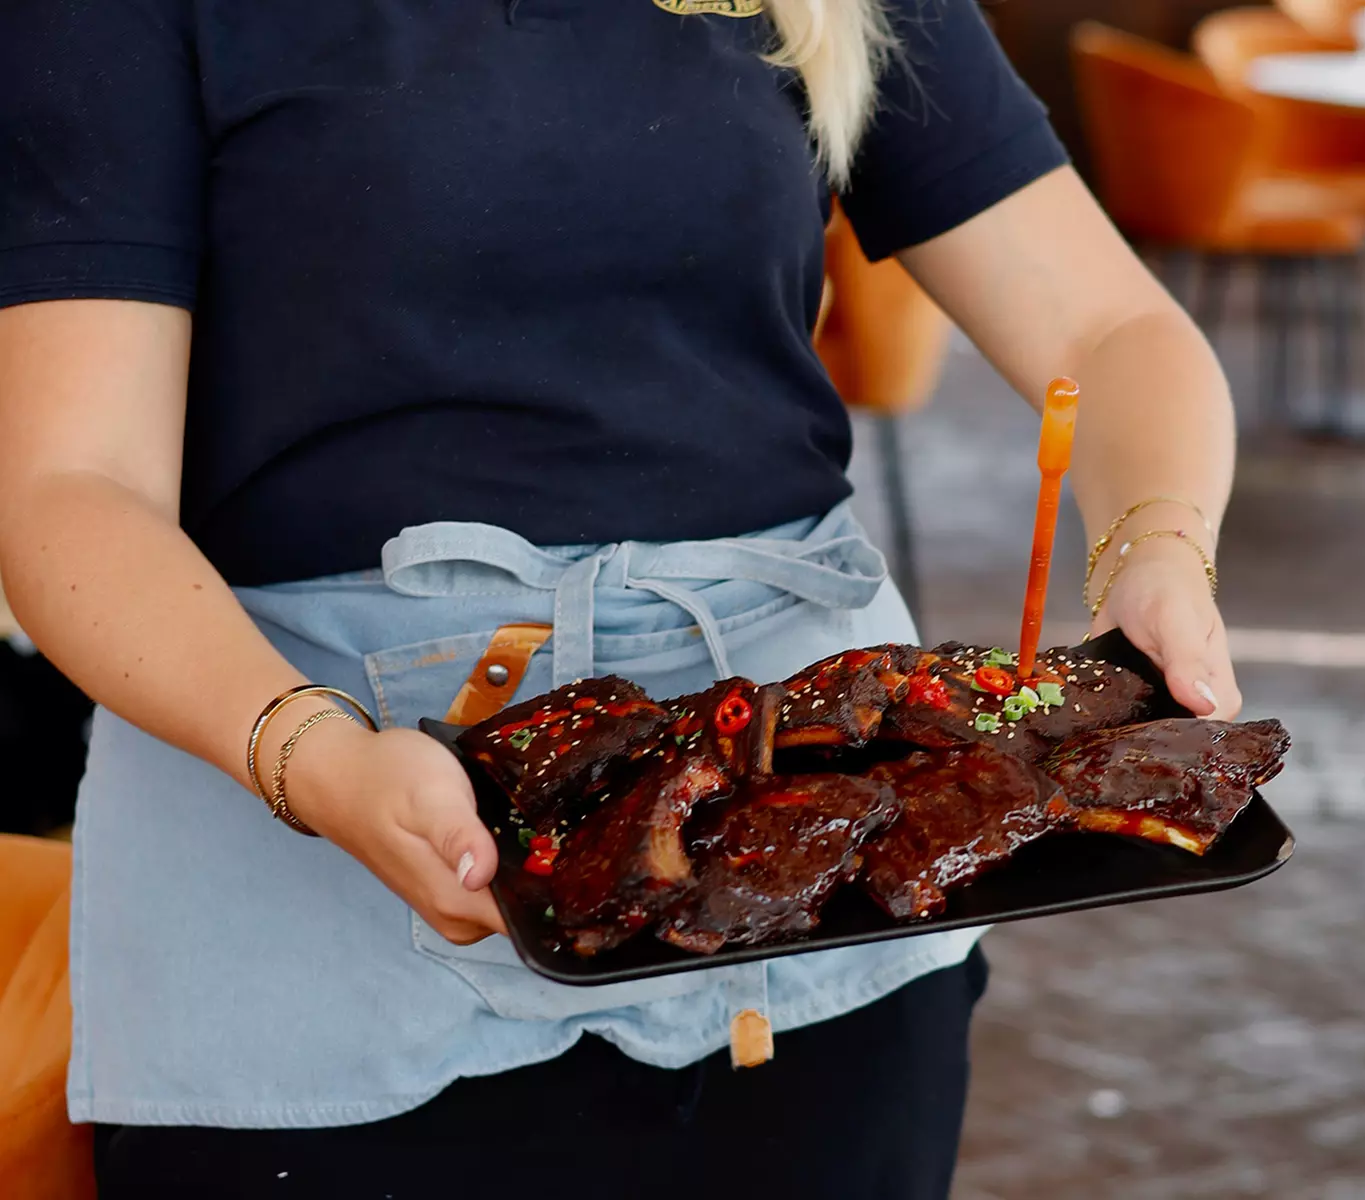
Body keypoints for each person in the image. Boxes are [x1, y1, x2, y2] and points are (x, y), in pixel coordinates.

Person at [0, 0, 1241, 1194]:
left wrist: (1158, 545)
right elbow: (70, 486)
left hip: (825, 896)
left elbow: (1106, 325)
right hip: (300, 868)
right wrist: (315, 760)